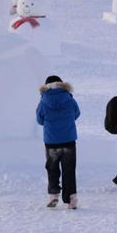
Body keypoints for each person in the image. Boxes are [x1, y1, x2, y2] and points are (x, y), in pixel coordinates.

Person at [36, 75, 80, 209]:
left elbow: (39, 120)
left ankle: (54, 195)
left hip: (51, 141)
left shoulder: (43, 101)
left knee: (52, 168)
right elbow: (76, 114)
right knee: (69, 170)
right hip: (69, 140)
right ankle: (71, 199)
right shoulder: (69, 99)